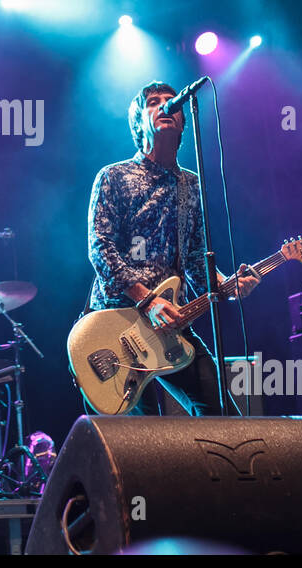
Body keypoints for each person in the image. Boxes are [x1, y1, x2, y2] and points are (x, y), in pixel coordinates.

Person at [86, 80, 260, 416]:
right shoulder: (113, 176)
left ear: (183, 121)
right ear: (139, 122)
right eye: (154, 102)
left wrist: (226, 284)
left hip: (170, 322)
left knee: (222, 417)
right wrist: (147, 299)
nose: (167, 105)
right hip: (116, 325)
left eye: (172, 101)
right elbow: (100, 247)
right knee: (140, 442)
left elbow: (195, 257)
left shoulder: (190, 184)